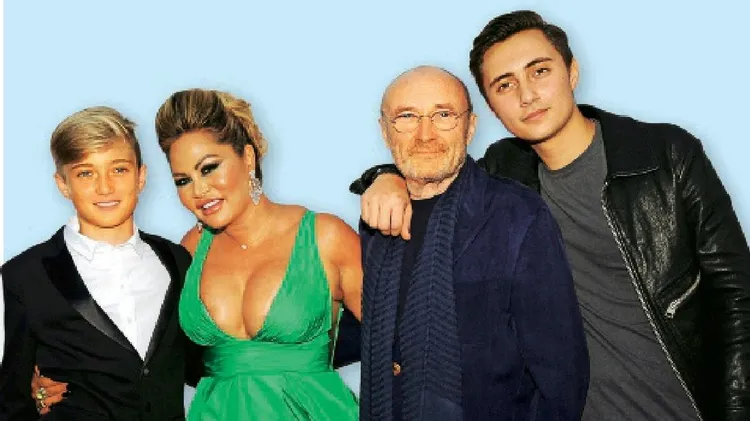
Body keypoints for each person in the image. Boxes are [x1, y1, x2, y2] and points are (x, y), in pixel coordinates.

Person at [353, 10, 750, 421]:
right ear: (490, 109)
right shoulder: (505, 174)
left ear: (572, 72)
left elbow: (737, 298)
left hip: (682, 407)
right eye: (505, 85)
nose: (526, 95)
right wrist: (384, 177)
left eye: (539, 71)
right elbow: (433, 169)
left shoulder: (663, 156)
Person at [358, 65, 588, 421]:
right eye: (407, 117)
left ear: (470, 127)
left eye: (444, 115)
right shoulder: (376, 219)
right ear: (385, 131)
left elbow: (562, 375)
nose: (425, 134)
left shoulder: (517, 215)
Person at [154, 88, 362, 420]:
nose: (199, 190)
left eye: (209, 168)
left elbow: (399, 342)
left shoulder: (325, 236)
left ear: (248, 158)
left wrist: (386, 178)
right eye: (182, 180)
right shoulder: (191, 248)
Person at [0, 107, 201, 420]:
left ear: (141, 177)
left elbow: (197, 365)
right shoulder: (24, 275)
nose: (105, 187)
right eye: (86, 173)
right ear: (63, 184)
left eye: (118, 169)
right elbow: (11, 400)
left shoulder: (177, 261)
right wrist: (33, 394)